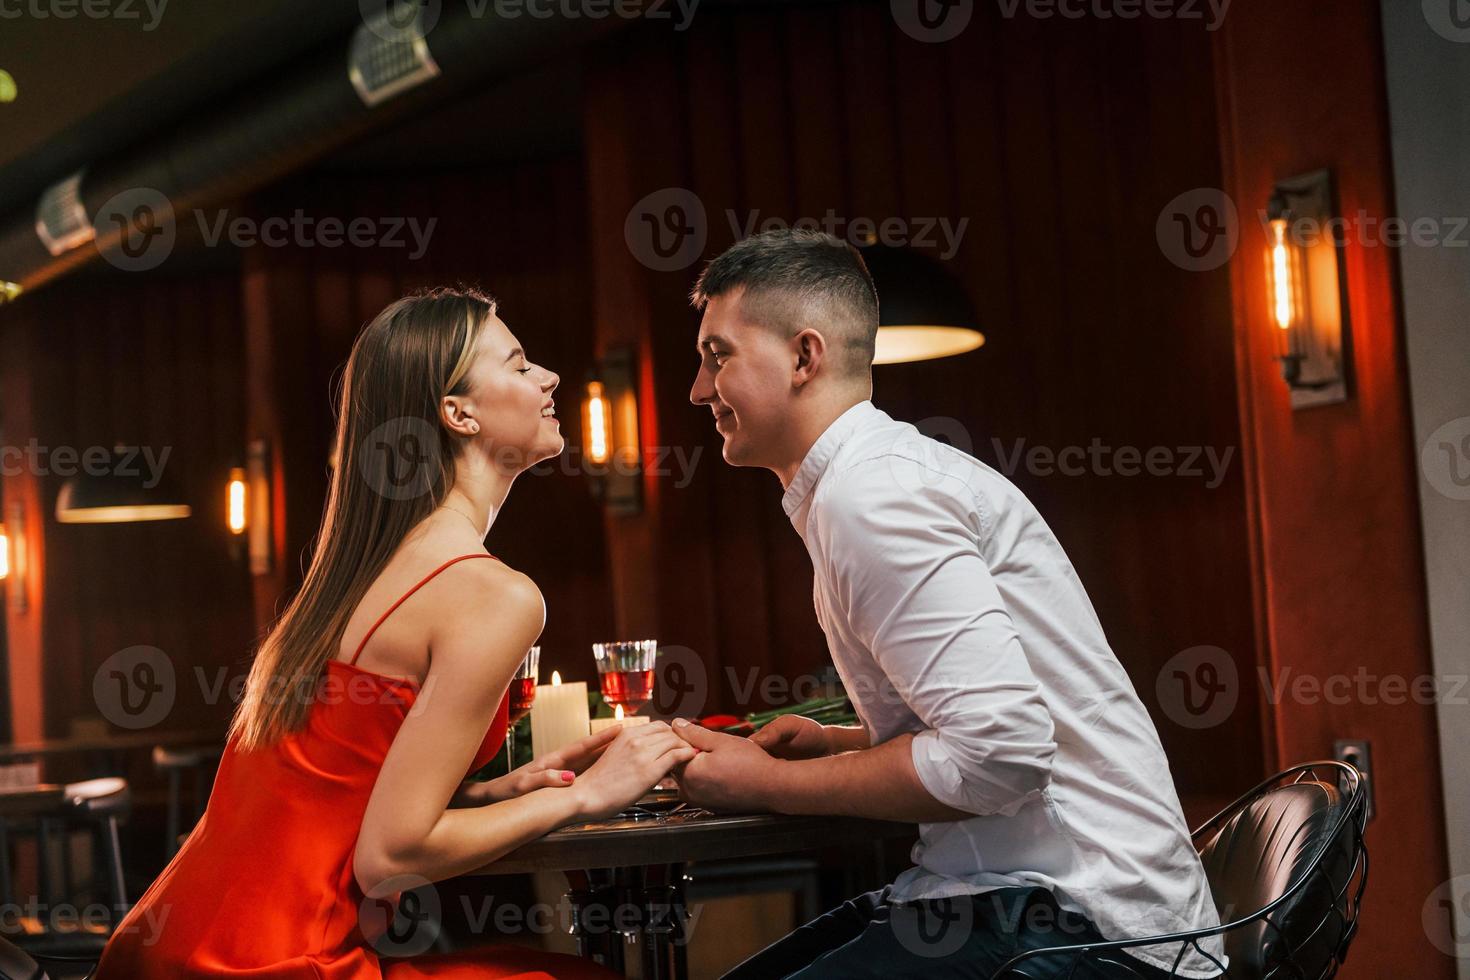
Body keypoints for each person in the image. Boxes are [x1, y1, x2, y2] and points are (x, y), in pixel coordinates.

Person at [97, 286, 697, 979]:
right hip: (279, 963)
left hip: (174, 947)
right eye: (519, 363)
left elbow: (334, 795)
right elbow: (389, 859)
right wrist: (586, 794)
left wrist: (489, 795)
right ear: (457, 413)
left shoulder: (357, 574)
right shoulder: (493, 596)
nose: (549, 378)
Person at [673, 229, 1227, 979]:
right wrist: (839, 745)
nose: (699, 391)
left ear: (805, 357)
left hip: (1087, 927)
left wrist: (768, 784)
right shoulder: (868, 481)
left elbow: (1001, 755)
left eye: (718, 358)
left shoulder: (872, 496)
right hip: (1026, 899)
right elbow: (987, 735)